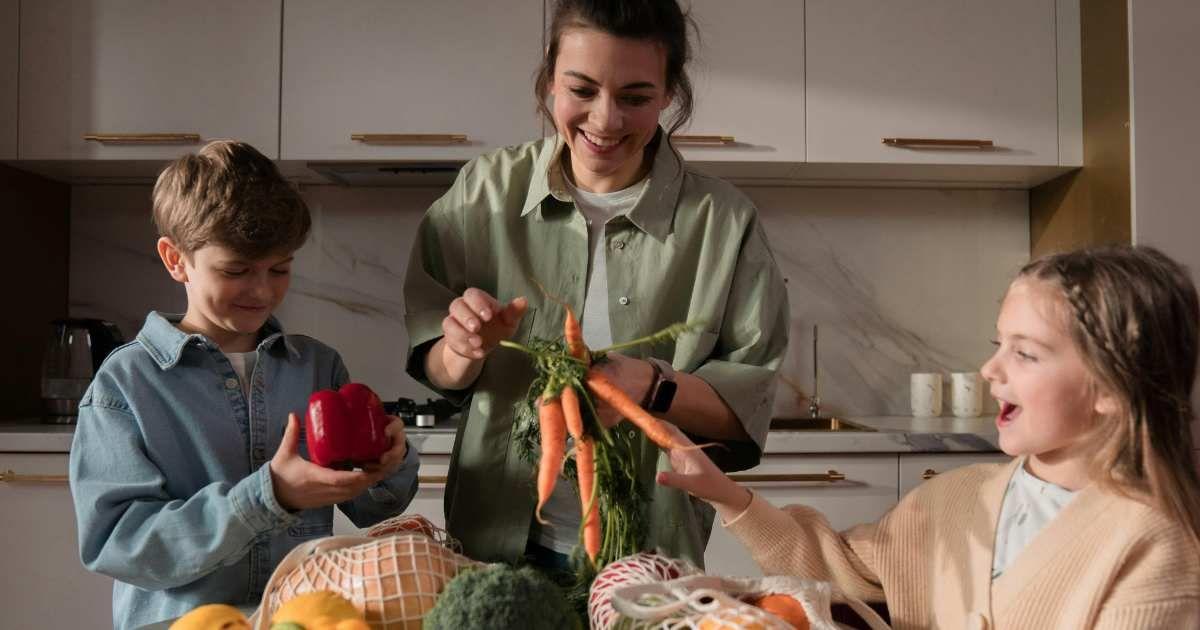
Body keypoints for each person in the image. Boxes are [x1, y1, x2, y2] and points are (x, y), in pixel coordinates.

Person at [403, 0, 788, 567]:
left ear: (668, 95)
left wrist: (651, 387)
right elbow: (437, 367)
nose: (605, 121)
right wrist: (461, 349)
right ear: (548, 85)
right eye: (581, 91)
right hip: (492, 540)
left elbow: (746, 407)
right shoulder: (482, 192)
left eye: (635, 98)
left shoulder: (723, 223)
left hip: (651, 551)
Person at [658, 244, 1200, 629]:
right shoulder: (954, 498)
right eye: (998, 343)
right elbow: (841, 567)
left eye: (1025, 353)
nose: (990, 369)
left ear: (1111, 388)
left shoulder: (1153, 545)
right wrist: (725, 495)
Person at [69, 140, 420, 630]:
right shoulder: (126, 384)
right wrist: (269, 494)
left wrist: (388, 463)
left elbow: (371, 508)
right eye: (236, 270)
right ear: (176, 260)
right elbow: (121, 545)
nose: (262, 290)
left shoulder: (318, 366)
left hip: (300, 620)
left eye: (280, 269)